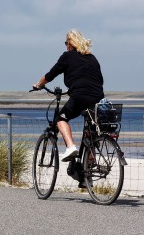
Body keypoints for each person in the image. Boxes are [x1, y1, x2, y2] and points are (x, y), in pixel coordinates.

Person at [32, 29, 104, 162]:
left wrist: (38, 84)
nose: (66, 46)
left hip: (80, 95)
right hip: (98, 97)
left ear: (70, 43)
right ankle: (87, 167)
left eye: (66, 43)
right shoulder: (92, 58)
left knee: (60, 118)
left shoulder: (67, 56)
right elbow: (100, 79)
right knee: (91, 128)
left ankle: (71, 147)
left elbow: (50, 75)